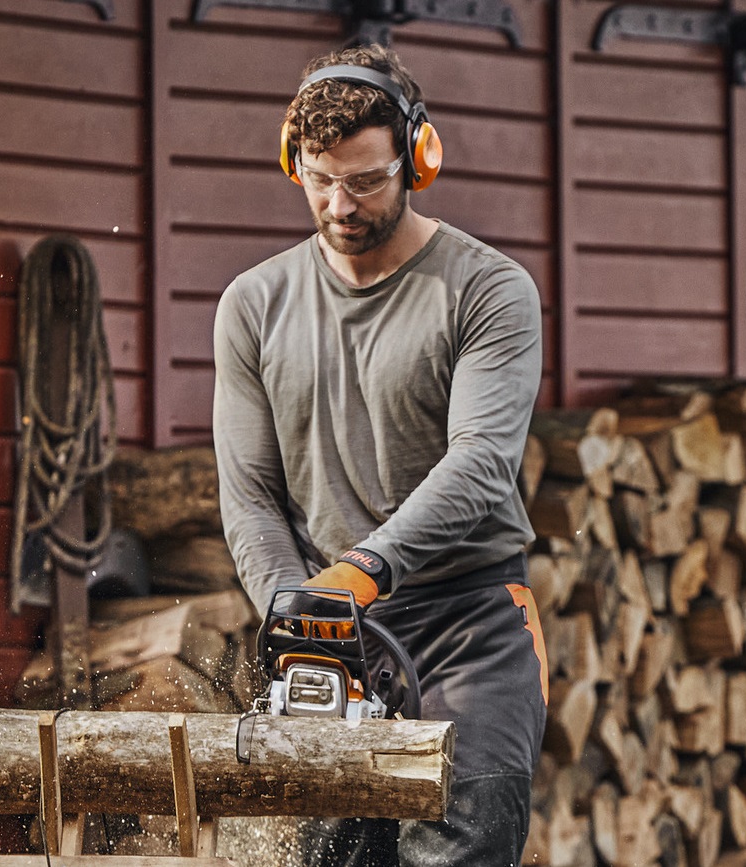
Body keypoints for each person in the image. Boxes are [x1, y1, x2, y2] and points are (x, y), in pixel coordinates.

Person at [211, 43, 549, 867]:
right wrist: (294, 607)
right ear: (295, 162)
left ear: (418, 158)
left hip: (467, 621)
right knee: (332, 856)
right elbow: (251, 495)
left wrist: (364, 568)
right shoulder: (254, 305)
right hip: (334, 635)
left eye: (365, 179)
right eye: (321, 178)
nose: (339, 203)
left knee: (462, 845)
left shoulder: (486, 289)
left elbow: (480, 463)